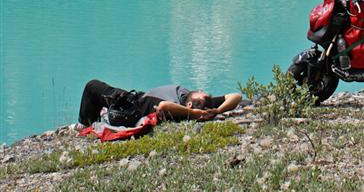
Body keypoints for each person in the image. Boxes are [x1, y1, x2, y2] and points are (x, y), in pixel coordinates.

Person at [78, 78, 242, 126]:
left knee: (92, 86)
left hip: (132, 104)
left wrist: (193, 114)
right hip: (134, 99)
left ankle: (85, 125)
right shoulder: (206, 104)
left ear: (191, 104)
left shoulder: (179, 109)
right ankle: (90, 123)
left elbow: (164, 106)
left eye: (202, 95)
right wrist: (218, 110)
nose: (202, 92)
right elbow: (236, 96)